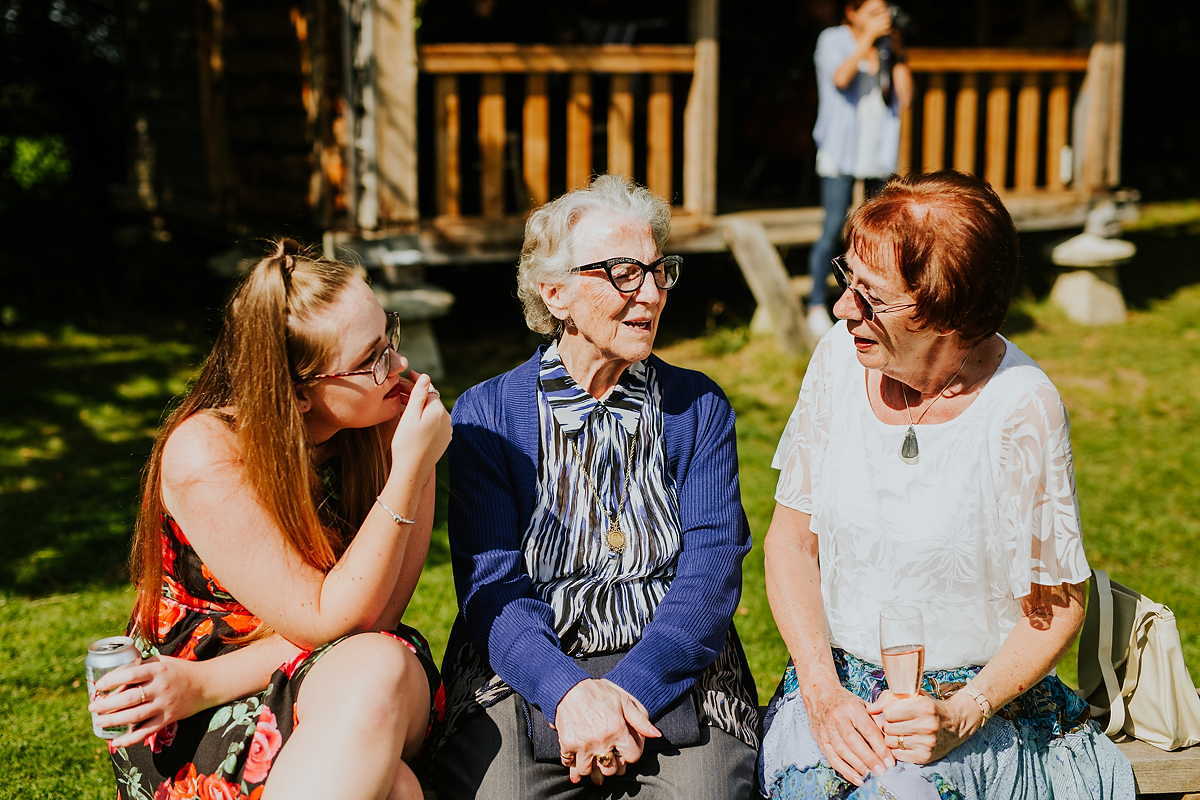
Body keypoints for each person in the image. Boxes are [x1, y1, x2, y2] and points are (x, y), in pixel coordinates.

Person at [759, 171, 1135, 799]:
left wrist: (963, 712)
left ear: (946, 310)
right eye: (845, 281)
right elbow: (792, 543)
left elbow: (1060, 603)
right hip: (841, 693)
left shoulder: (1021, 406)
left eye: (873, 298)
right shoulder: (836, 357)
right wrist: (822, 694)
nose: (844, 308)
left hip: (979, 712)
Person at [432, 174, 759, 799]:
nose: (652, 294)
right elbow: (490, 583)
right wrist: (569, 693)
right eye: (621, 273)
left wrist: (627, 693)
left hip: (675, 657)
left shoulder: (698, 406)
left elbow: (712, 571)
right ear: (555, 294)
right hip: (529, 661)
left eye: (658, 271)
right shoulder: (486, 413)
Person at [88, 240, 450, 799]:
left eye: (390, 335)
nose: (399, 365)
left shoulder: (378, 429)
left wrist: (414, 465)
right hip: (200, 703)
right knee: (396, 784)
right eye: (373, 357)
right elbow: (329, 621)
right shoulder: (206, 454)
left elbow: (381, 610)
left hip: (340, 675)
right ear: (300, 394)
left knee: (381, 662)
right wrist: (409, 472)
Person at [806, 0, 913, 339]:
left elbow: (905, 98)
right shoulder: (833, 39)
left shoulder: (887, 46)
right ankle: (815, 302)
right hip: (841, 147)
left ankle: (875, 303)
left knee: (879, 232)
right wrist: (867, 40)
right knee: (834, 226)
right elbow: (839, 79)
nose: (880, 19)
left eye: (884, 12)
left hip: (877, 149)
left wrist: (894, 53)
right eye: (872, 12)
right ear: (851, 12)